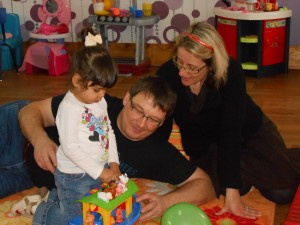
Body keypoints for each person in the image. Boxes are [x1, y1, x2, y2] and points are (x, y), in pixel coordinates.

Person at [17, 76, 216, 223]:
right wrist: (39, 139)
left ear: (162, 122)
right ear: (127, 98)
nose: (141, 123)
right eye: (138, 110)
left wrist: (165, 202)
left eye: (153, 119)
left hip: (22, 180)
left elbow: (204, 185)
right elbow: (29, 111)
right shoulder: (94, 105)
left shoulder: (156, 151)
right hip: (14, 141)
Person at [157, 21, 300, 219]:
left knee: (282, 193)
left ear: (211, 66)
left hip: (248, 134)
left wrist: (231, 193)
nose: (182, 72)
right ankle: (241, 173)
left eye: (192, 68)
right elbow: (160, 120)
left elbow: (230, 132)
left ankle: (284, 156)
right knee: (223, 188)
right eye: (179, 62)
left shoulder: (231, 73)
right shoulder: (168, 74)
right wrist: (155, 158)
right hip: (207, 145)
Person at [11, 34, 121, 224]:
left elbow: (108, 131)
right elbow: (70, 148)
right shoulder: (69, 108)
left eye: (105, 90)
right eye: (97, 90)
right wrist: (101, 172)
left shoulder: (99, 101)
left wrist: (113, 163)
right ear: (78, 81)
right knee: (75, 218)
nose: (101, 96)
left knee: (93, 206)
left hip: (96, 168)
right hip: (75, 176)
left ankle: (56, 197)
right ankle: (42, 213)